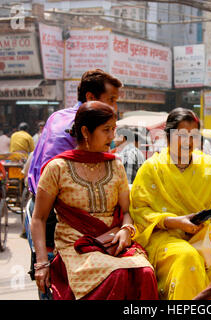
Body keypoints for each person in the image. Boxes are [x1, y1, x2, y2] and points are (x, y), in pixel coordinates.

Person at [30, 101, 158, 300]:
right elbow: (38, 218)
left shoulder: (116, 165)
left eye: (113, 129)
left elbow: (126, 212)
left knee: (145, 273)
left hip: (113, 245)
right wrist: (41, 263)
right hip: (75, 249)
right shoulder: (57, 168)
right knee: (117, 274)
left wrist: (126, 230)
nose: (112, 136)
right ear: (85, 131)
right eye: (106, 130)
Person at [129, 108, 211, 300]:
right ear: (168, 136)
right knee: (187, 257)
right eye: (181, 135)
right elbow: (139, 211)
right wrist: (175, 222)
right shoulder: (151, 169)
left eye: (194, 135)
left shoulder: (209, 165)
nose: (188, 141)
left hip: (203, 238)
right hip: (165, 237)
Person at [27, 69, 122, 198]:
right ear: (90, 98)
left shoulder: (56, 116)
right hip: (58, 203)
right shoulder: (89, 122)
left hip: (38, 195)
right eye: (111, 100)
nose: (114, 107)